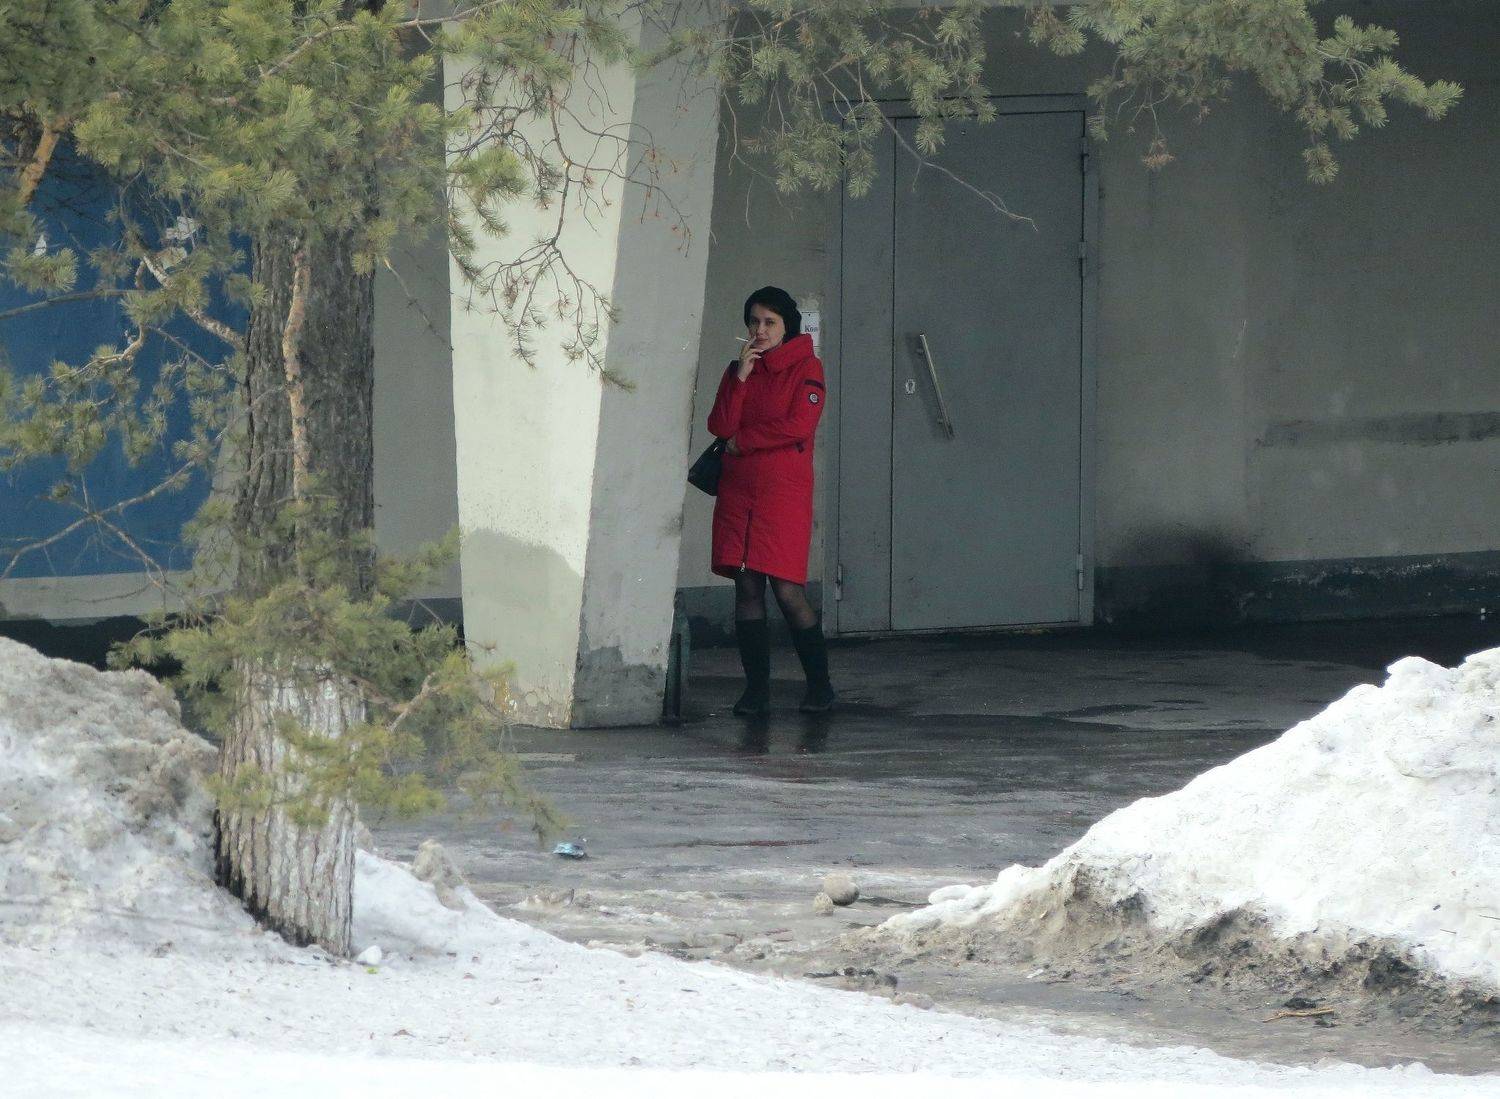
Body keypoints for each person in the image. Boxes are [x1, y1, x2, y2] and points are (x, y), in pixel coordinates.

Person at [707, 286, 835, 716]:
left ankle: (820, 687)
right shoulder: (739, 368)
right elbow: (720, 426)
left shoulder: (807, 367)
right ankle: (756, 691)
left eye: (769, 322)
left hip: (782, 494)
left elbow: (799, 425)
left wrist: (745, 442)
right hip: (739, 491)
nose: (759, 330)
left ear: (786, 326)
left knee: (786, 588)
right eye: (754, 321)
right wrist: (740, 378)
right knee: (746, 585)